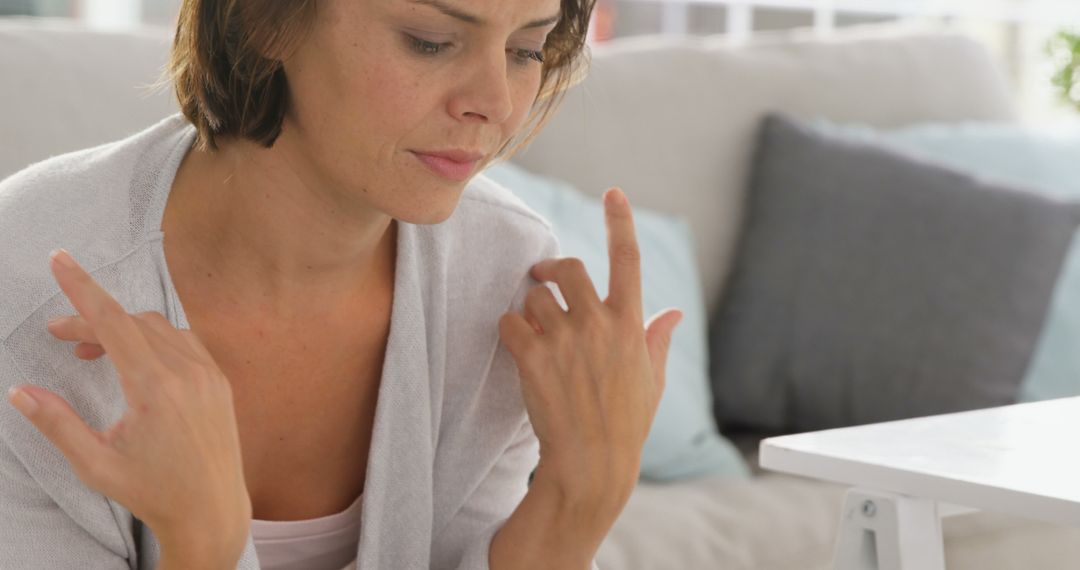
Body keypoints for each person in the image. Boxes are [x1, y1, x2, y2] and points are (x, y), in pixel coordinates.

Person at [0, 0, 683, 568]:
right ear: (264, 20)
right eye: (430, 41)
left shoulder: (501, 277)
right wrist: (202, 544)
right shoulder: (25, 304)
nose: (495, 103)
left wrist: (578, 501)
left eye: (527, 50)